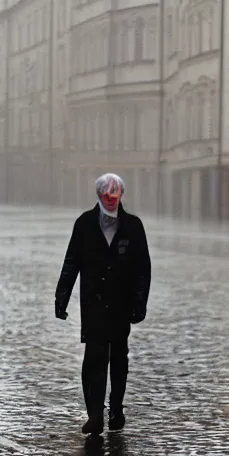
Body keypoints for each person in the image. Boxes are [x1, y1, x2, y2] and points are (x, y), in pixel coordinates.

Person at [54, 173, 151, 435]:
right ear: (99, 195)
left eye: (115, 195)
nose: (111, 199)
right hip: (94, 303)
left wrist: (139, 302)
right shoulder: (85, 224)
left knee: (118, 357)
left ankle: (116, 407)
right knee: (94, 359)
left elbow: (143, 268)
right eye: (106, 195)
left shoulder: (133, 226)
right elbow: (71, 261)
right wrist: (61, 296)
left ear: (121, 195)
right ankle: (95, 414)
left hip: (121, 303)